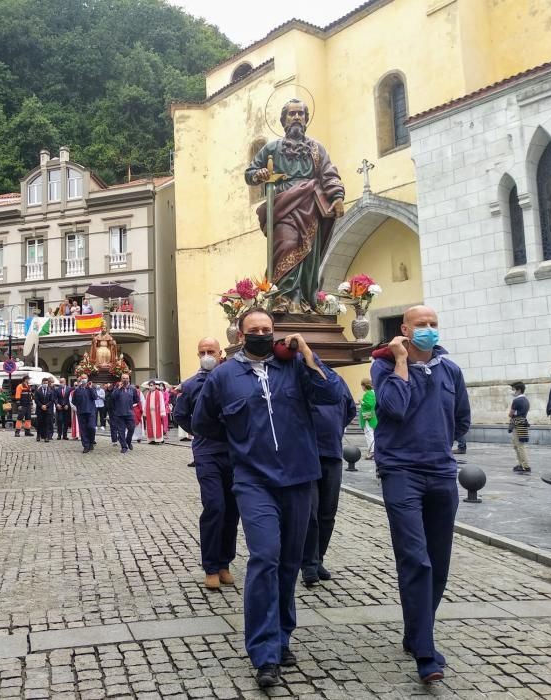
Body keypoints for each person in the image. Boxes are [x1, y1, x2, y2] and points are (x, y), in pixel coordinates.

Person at [191, 308, 343, 689]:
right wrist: (241, 448)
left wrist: (308, 355)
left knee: (289, 561)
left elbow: (333, 394)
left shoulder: (294, 367)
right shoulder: (224, 376)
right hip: (253, 482)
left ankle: (282, 636)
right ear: (240, 335)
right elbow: (203, 423)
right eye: (253, 330)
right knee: (264, 557)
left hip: (299, 479)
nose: (261, 334)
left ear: (275, 333)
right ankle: (263, 653)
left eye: (266, 329)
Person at [371, 305, 470, 683]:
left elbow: (461, 419)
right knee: (416, 559)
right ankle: (426, 653)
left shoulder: (451, 371)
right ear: (405, 329)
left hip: (441, 473)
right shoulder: (383, 367)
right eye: (421, 325)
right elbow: (394, 408)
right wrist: (400, 362)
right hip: (400, 473)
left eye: (433, 324)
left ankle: (415, 634)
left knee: (439, 562)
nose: (428, 330)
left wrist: (440, 443)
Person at [245, 99, 345, 311]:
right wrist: (260, 174)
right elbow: (250, 173)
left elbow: (328, 173)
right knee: (286, 246)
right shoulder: (272, 148)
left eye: (301, 114)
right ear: (284, 120)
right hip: (283, 206)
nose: (297, 117)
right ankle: (283, 299)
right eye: (292, 114)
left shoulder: (317, 149)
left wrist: (337, 196)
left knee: (308, 255)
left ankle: (306, 300)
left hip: (310, 206)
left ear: (306, 119)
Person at [174, 337, 239, 590]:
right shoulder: (190, 384)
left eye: (210, 351)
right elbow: (179, 414)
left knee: (232, 509)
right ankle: (211, 566)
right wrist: (200, 430)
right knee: (214, 506)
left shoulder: (230, 379)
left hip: (233, 452)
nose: (206, 355)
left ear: (220, 353)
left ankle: (225, 563)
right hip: (206, 453)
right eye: (202, 352)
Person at [301, 377, 357, 587]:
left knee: (328, 512)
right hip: (307, 455)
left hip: (332, 455)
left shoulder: (338, 382)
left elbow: (349, 410)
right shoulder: (302, 380)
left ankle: (319, 559)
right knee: (311, 513)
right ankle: (308, 563)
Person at [112, 374, 140, 453]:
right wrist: (118, 389)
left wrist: (130, 404)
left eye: (126, 378)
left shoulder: (132, 389)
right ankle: (124, 446)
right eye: (123, 378)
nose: (125, 380)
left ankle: (128, 441)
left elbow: (136, 399)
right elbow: (113, 397)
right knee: (121, 431)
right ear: (121, 379)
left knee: (131, 428)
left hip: (129, 413)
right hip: (119, 413)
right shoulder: (117, 388)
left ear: (129, 379)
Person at [509, 381, 531, 474]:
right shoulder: (526, 400)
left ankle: (525, 466)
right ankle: (521, 464)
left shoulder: (516, 400)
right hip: (522, 422)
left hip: (517, 423)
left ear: (519, 390)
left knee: (519, 445)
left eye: (514, 389)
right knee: (518, 445)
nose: (512, 392)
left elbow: (511, 414)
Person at [72, 376, 98, 453]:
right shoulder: (77, 390)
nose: (83, 380)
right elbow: (74, 401)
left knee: (91, 428)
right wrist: (80, 405)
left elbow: (95, 397)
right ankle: (86, 446)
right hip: (81, 412)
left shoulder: (91, 388)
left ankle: (91, 442)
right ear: (80, 380)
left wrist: (90, 388)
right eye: (82, 378)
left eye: (85, 378)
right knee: (83, 430)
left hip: (91, 412)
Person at [358, 378, 377, 460]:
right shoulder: (373, 393)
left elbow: (369, 404)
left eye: (362, 386)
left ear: (364, 386)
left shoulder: (368, 393)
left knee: (369, 434)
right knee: (371, 434)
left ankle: (372, 452)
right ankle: (373, 451)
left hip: (367, 418)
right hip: (372, 416)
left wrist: (361, 402)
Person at [34, 377, 55, 442]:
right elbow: (36, 400)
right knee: (39, 423)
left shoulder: (50, 391)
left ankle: (46, 437)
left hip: (47, 410)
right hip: (40, 410)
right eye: (44, 383)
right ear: (42, 383)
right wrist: (41, 406)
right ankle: (38, 435)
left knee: (47, 423)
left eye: (46, 383)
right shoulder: (38, 391)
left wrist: (46, 406)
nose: (45, 384)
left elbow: (51, 400)